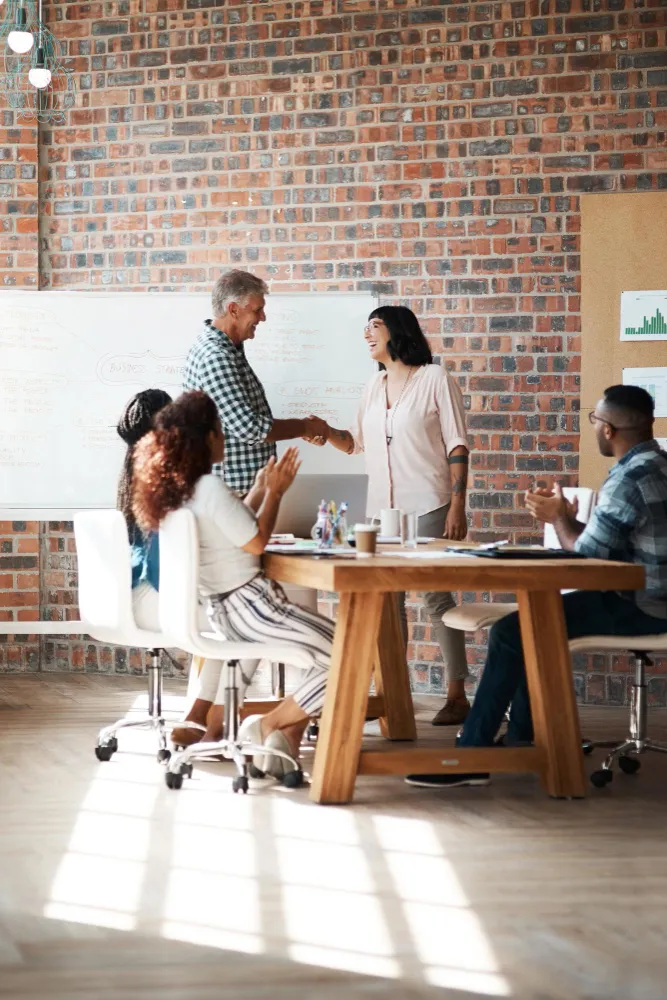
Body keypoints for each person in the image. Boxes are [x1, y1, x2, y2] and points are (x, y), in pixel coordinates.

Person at [405, 384, 667, 789]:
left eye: (595, 420)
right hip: (649, 595)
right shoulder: (658, 464)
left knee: (515, 630)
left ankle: (471, 756)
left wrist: (557, 518)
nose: (594, 426)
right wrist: (569, 519)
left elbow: (589, 557)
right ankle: (523, 737)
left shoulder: (629, 477)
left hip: (643, 605)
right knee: (536, 620)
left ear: (609, 430)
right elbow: (610, 546)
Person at [131, 390, 335, 776]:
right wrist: (276, 492)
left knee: (330, 655)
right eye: (220, 431)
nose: (224, 438)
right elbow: (256, 541)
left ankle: (283, 738)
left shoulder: (184, 490)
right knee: (347, 654)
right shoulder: (209, 487)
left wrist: (259, 489)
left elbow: (231, 528)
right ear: (207, 437)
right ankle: (269, 725)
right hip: (255, 607)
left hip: (225, 610)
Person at [311, 305, 472, 726]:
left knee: (437, 598)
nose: (367, 335)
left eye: (375, 327)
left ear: (396, 332)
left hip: (430, 504)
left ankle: (457, 695)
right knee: (388, 604)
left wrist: (458, 504)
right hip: (381, 512)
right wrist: (327, 433)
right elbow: (355, 443)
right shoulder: (373, 384)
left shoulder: (434, 379)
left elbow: (457, 443)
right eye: (364, 328)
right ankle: (393, 692)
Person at [183, 268, 329, 497]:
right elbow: (250, 427)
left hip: (240, 492)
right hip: (233, 494)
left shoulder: (228, 349)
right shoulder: (216, 357)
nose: (263, 317)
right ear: (233, 310)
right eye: (258, 310)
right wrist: (305, 427)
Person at [116, 388, 172, 630]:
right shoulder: (164, 482)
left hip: (131, 597)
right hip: (156, 600)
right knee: (234, 616)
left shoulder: (131, 477)